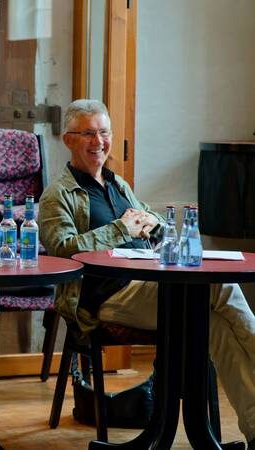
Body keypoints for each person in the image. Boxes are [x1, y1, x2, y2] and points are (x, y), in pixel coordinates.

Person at [39, 99, 255, 448]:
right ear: (68, 139)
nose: (99, 142)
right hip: (107, 295)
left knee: (216, 328)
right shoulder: (58, 194)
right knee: (220, 284)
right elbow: (63, 249)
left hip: (151, 283)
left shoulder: (117, 185)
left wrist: (154, 224)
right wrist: (121, 228)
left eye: (104, 133)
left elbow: (153, 230)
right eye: (89, 134)